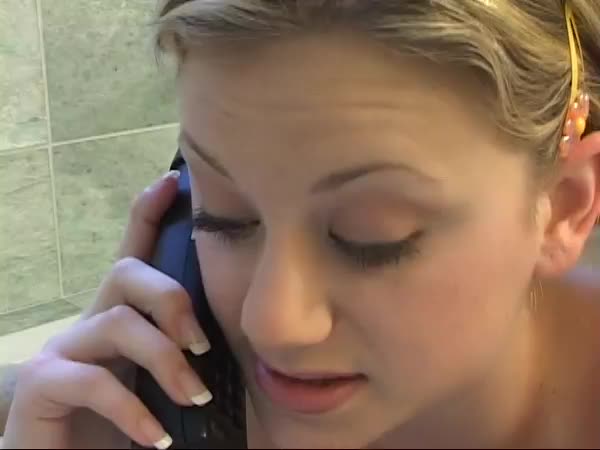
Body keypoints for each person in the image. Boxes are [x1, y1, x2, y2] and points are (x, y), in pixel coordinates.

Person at [2, 0, 600, 447]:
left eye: (372, 238)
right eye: (224, 217)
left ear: (565, 206)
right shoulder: (151, 404)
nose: (271, 324)